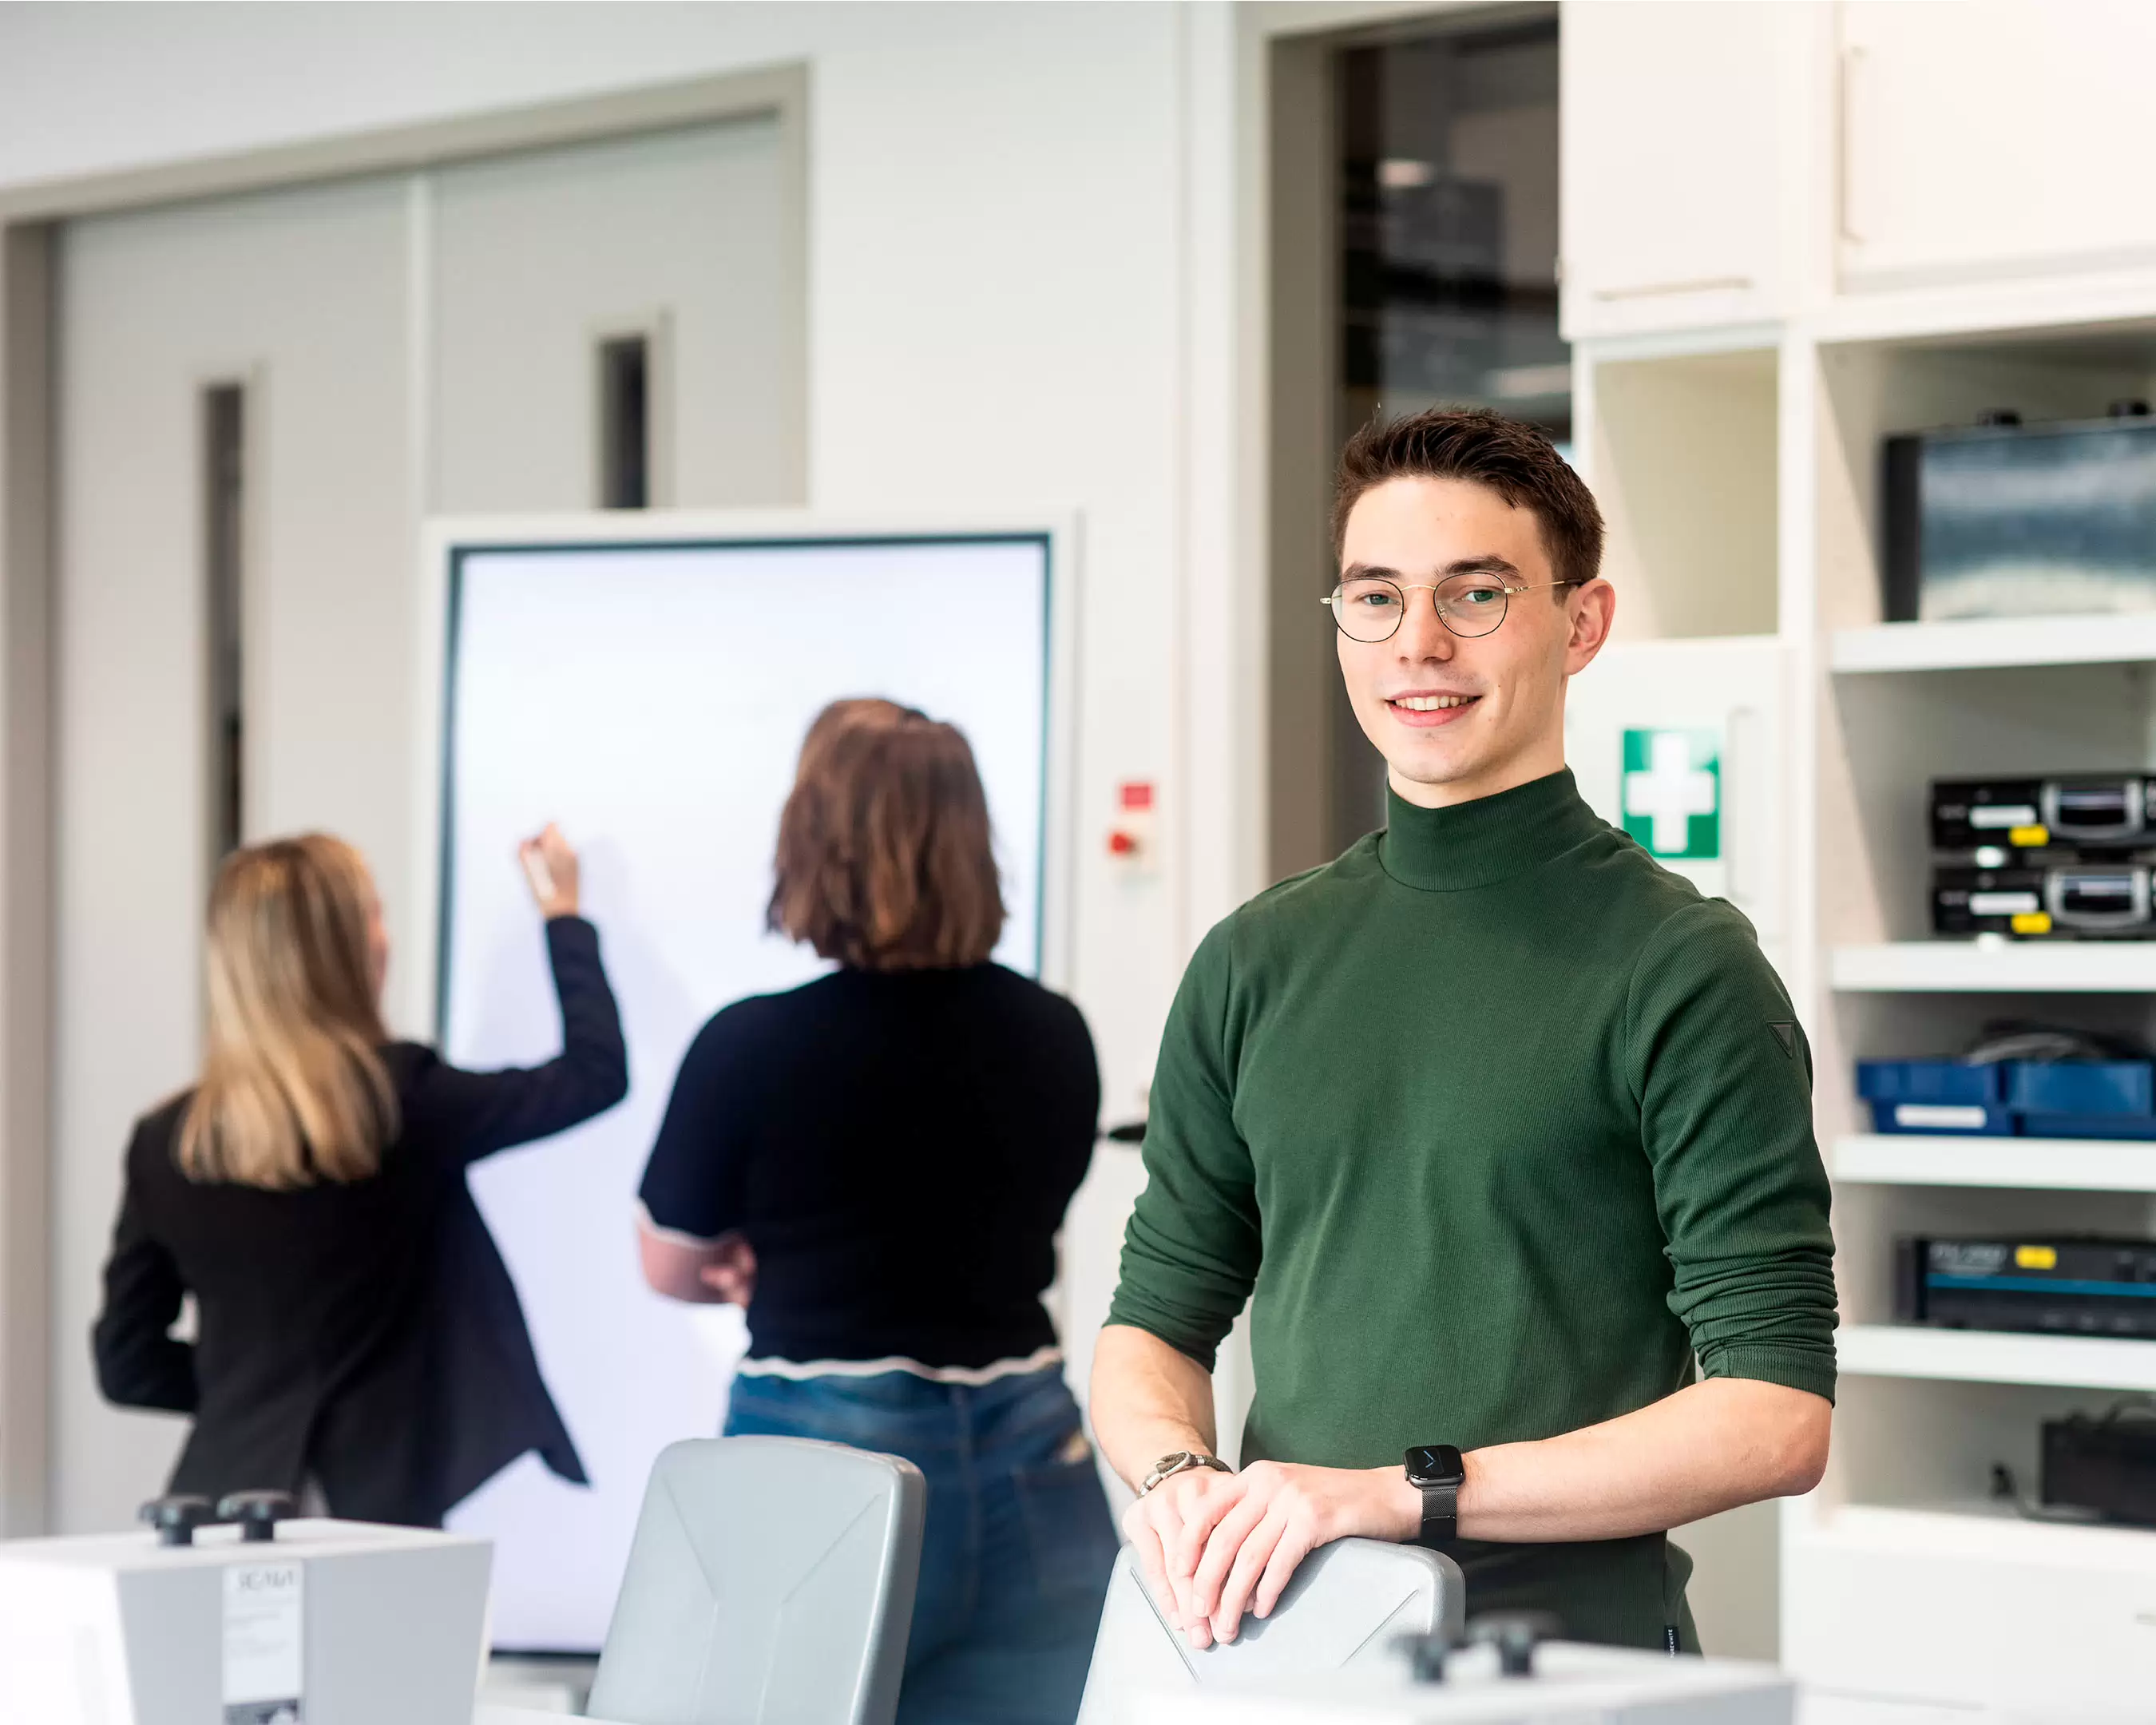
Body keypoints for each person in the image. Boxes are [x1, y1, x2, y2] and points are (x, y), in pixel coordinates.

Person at [1093, 407, 1837, 1653]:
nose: (1418, 643)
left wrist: (1405, 1494)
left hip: (1568, 1670)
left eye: (1475, 594)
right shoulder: (1254, 961)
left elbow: (1776, 1414)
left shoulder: (1682, 968)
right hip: (1294, 1653)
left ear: (1582, 624)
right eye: (1375, 597)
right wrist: (1182, 1479)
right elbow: (1153, 1328)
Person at [636, 698, 1116, 1725]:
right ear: (971, 844)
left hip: (818, 1465)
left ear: (813, 843)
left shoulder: (749, 1047)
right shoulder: (1054, 1032)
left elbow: (670, 1260)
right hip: (1032, 1457)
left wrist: (746, 1262)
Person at [94, 825, 627, 1527]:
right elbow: (593, 1075)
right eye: (374, 916)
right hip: (377, 1511)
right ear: (347, 951)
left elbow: (127, 1364)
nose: (386, 937)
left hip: (225, 1510)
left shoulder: (168, 1142)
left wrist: (247, 1391)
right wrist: (563, 915)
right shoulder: (403, 1102)